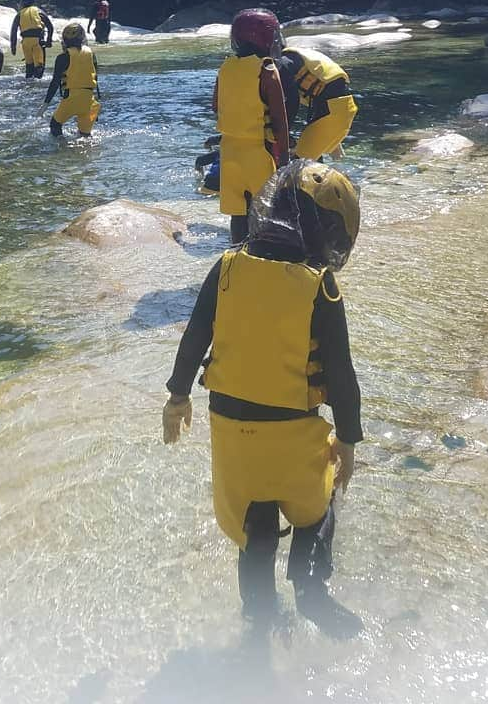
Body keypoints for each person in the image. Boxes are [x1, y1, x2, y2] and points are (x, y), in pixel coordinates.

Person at [162, 161, 364, 637]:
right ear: (331, 232)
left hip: (235, 439)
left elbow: (194, 338)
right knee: (317, 508)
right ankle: (311, 592)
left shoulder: (227, 267)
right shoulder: (321, 286)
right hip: (295, 437)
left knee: (254, 528)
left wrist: (177, 398)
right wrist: (349, 443)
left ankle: (257, 617)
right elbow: (341, 372)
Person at [213, 9, 291, 244]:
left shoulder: (225, 68)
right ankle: (263, 258)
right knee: (267, 212)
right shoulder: (266, 70)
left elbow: (216, 106)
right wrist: (285, 157)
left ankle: (236, 259)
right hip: (259, 152)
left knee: (238, 214)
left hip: (229, 152)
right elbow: (280, 118)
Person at [280, 45, 358, 160]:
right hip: (341, 108)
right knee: (311, 162)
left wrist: (283, 134)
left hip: (332, 112)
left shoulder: (284, 65)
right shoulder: (298, 56)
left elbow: (292, 101)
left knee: (298, 166)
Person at [40, 22, 101, 137]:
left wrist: (45, 104)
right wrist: (96, 102)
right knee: (85, 135)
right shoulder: (91, 54)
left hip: (71, 98)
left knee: (55, 125)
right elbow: (95, 79)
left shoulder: (63, 57)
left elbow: (55, 82)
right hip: (89, 100)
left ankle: (62, 150)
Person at [10, 0, 54, 79]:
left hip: (26, 43)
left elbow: (13, 31)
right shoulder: (39, 11)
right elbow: (50, 26)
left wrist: (13, 46)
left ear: (22, 3)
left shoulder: (19, 14)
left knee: (29, 68)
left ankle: (28, 84)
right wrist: (49, 41)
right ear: (34, 2)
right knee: (39, 67)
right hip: (38, 41)